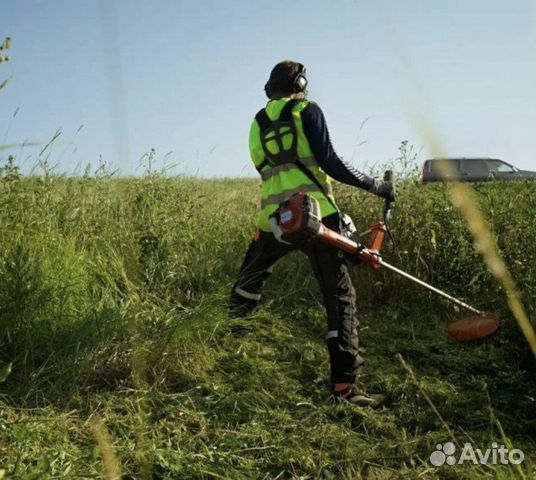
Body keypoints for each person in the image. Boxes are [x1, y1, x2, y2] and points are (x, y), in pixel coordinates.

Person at [229, 60, 395, 406]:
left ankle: (228, 350)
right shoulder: (308, 110)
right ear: (300, 82)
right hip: (318, 217)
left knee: (247, 283)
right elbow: (331, 161)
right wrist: (378, 186)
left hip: (273, 220)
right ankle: (344, 389)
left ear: (269, 89)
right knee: (338, 299)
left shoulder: (256, 124)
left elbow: (264, 168)